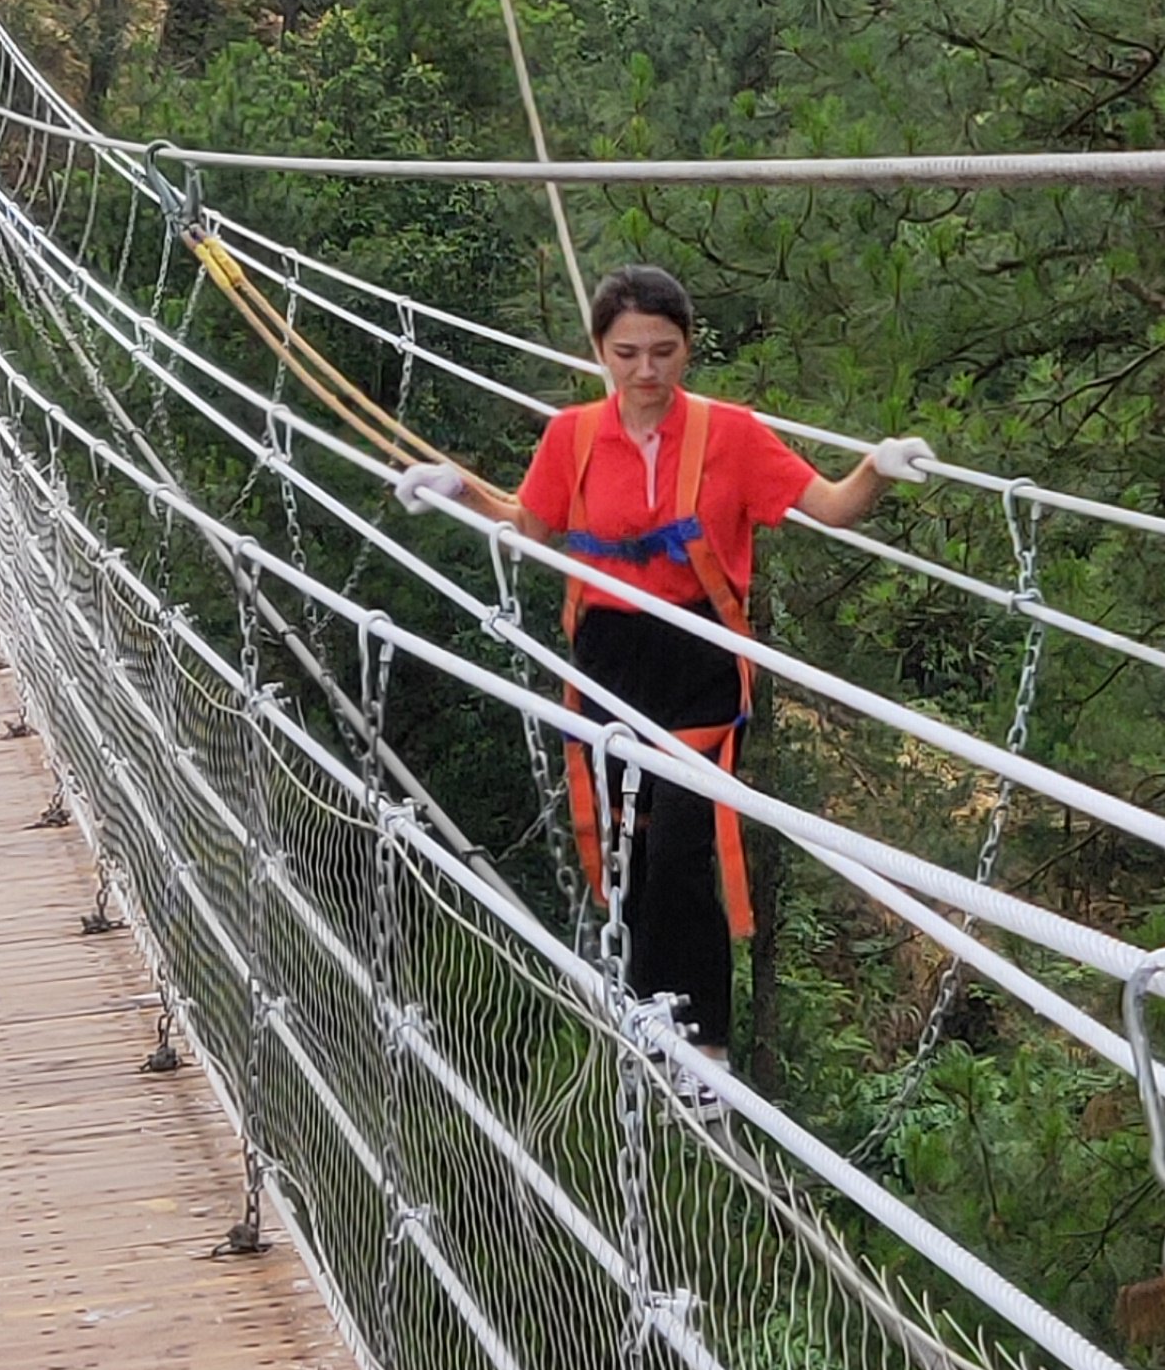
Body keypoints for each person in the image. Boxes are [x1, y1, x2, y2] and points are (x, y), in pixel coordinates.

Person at [398, 262, 935, 1054]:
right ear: (600, 354)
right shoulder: (572, 437)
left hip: (700, 656)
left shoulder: (733, 436)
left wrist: (876, 470)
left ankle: (705, 1038)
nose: (645, 371)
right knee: (635, 842)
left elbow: (831, 506)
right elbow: (529, 527)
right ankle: (653, 1012)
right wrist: (458, 492)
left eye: (663, 350)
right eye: (626, 353)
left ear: (687, 349)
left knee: (686, 843)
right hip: (608, 658)